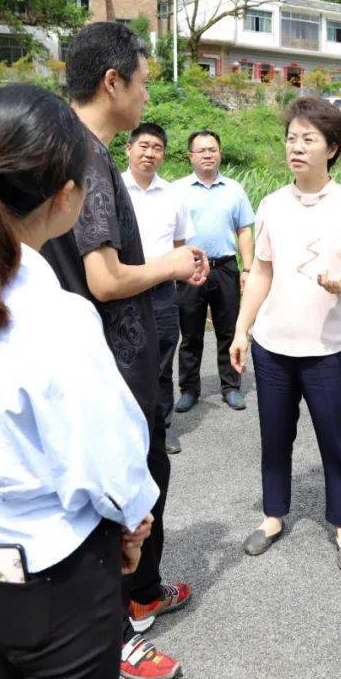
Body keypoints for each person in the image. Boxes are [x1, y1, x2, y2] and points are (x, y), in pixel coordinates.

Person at [0, 84, 158, 679]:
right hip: (59, 575)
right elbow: (106, 460)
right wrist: (132, 523)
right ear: (67, 197)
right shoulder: (55, 316)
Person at [40, 21, 206, 679]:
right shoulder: (88, 159)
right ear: (113, 81)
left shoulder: (67, 149)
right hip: (106, 364)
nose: (145, 95)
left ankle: (141, 593)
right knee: (118, 499)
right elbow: (105, 279)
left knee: (144, 479)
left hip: (110, 359)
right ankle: (113, 635)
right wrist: (167, 264)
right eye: (142, 80)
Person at [230, 97, 341, 571]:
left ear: (331, 148)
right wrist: (241, 329)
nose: (296, 147)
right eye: (291, 138)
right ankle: (273, 516)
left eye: (308, 139)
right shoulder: (272, 204)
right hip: (274, 345)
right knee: (274, 436)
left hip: (328, 348)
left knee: (337, 438)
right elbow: (260, 273)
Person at [121, 122, 194, 455]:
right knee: (124, 359)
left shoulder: (174, 195)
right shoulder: (113, 189)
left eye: (157, 148)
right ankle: (126, 429)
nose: (150, 153)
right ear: (129, 148)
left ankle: (161, 428)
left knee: (163, 360)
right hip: (125, 287)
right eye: (144, 146)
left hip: (163, 292)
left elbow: (180, 245)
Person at [170, 130, 255, 413]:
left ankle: (231, 386)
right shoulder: (177, 190)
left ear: (220, 153)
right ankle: (189, 389)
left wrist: (248, 268)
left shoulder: (234, 189)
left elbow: (245, 230)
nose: (208, 154)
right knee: (190, 333)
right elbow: (170, 233)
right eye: (202, 150)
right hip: (190, 269)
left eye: (213, 149)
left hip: (226, 268)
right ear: (191, 156)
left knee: (228, 330)